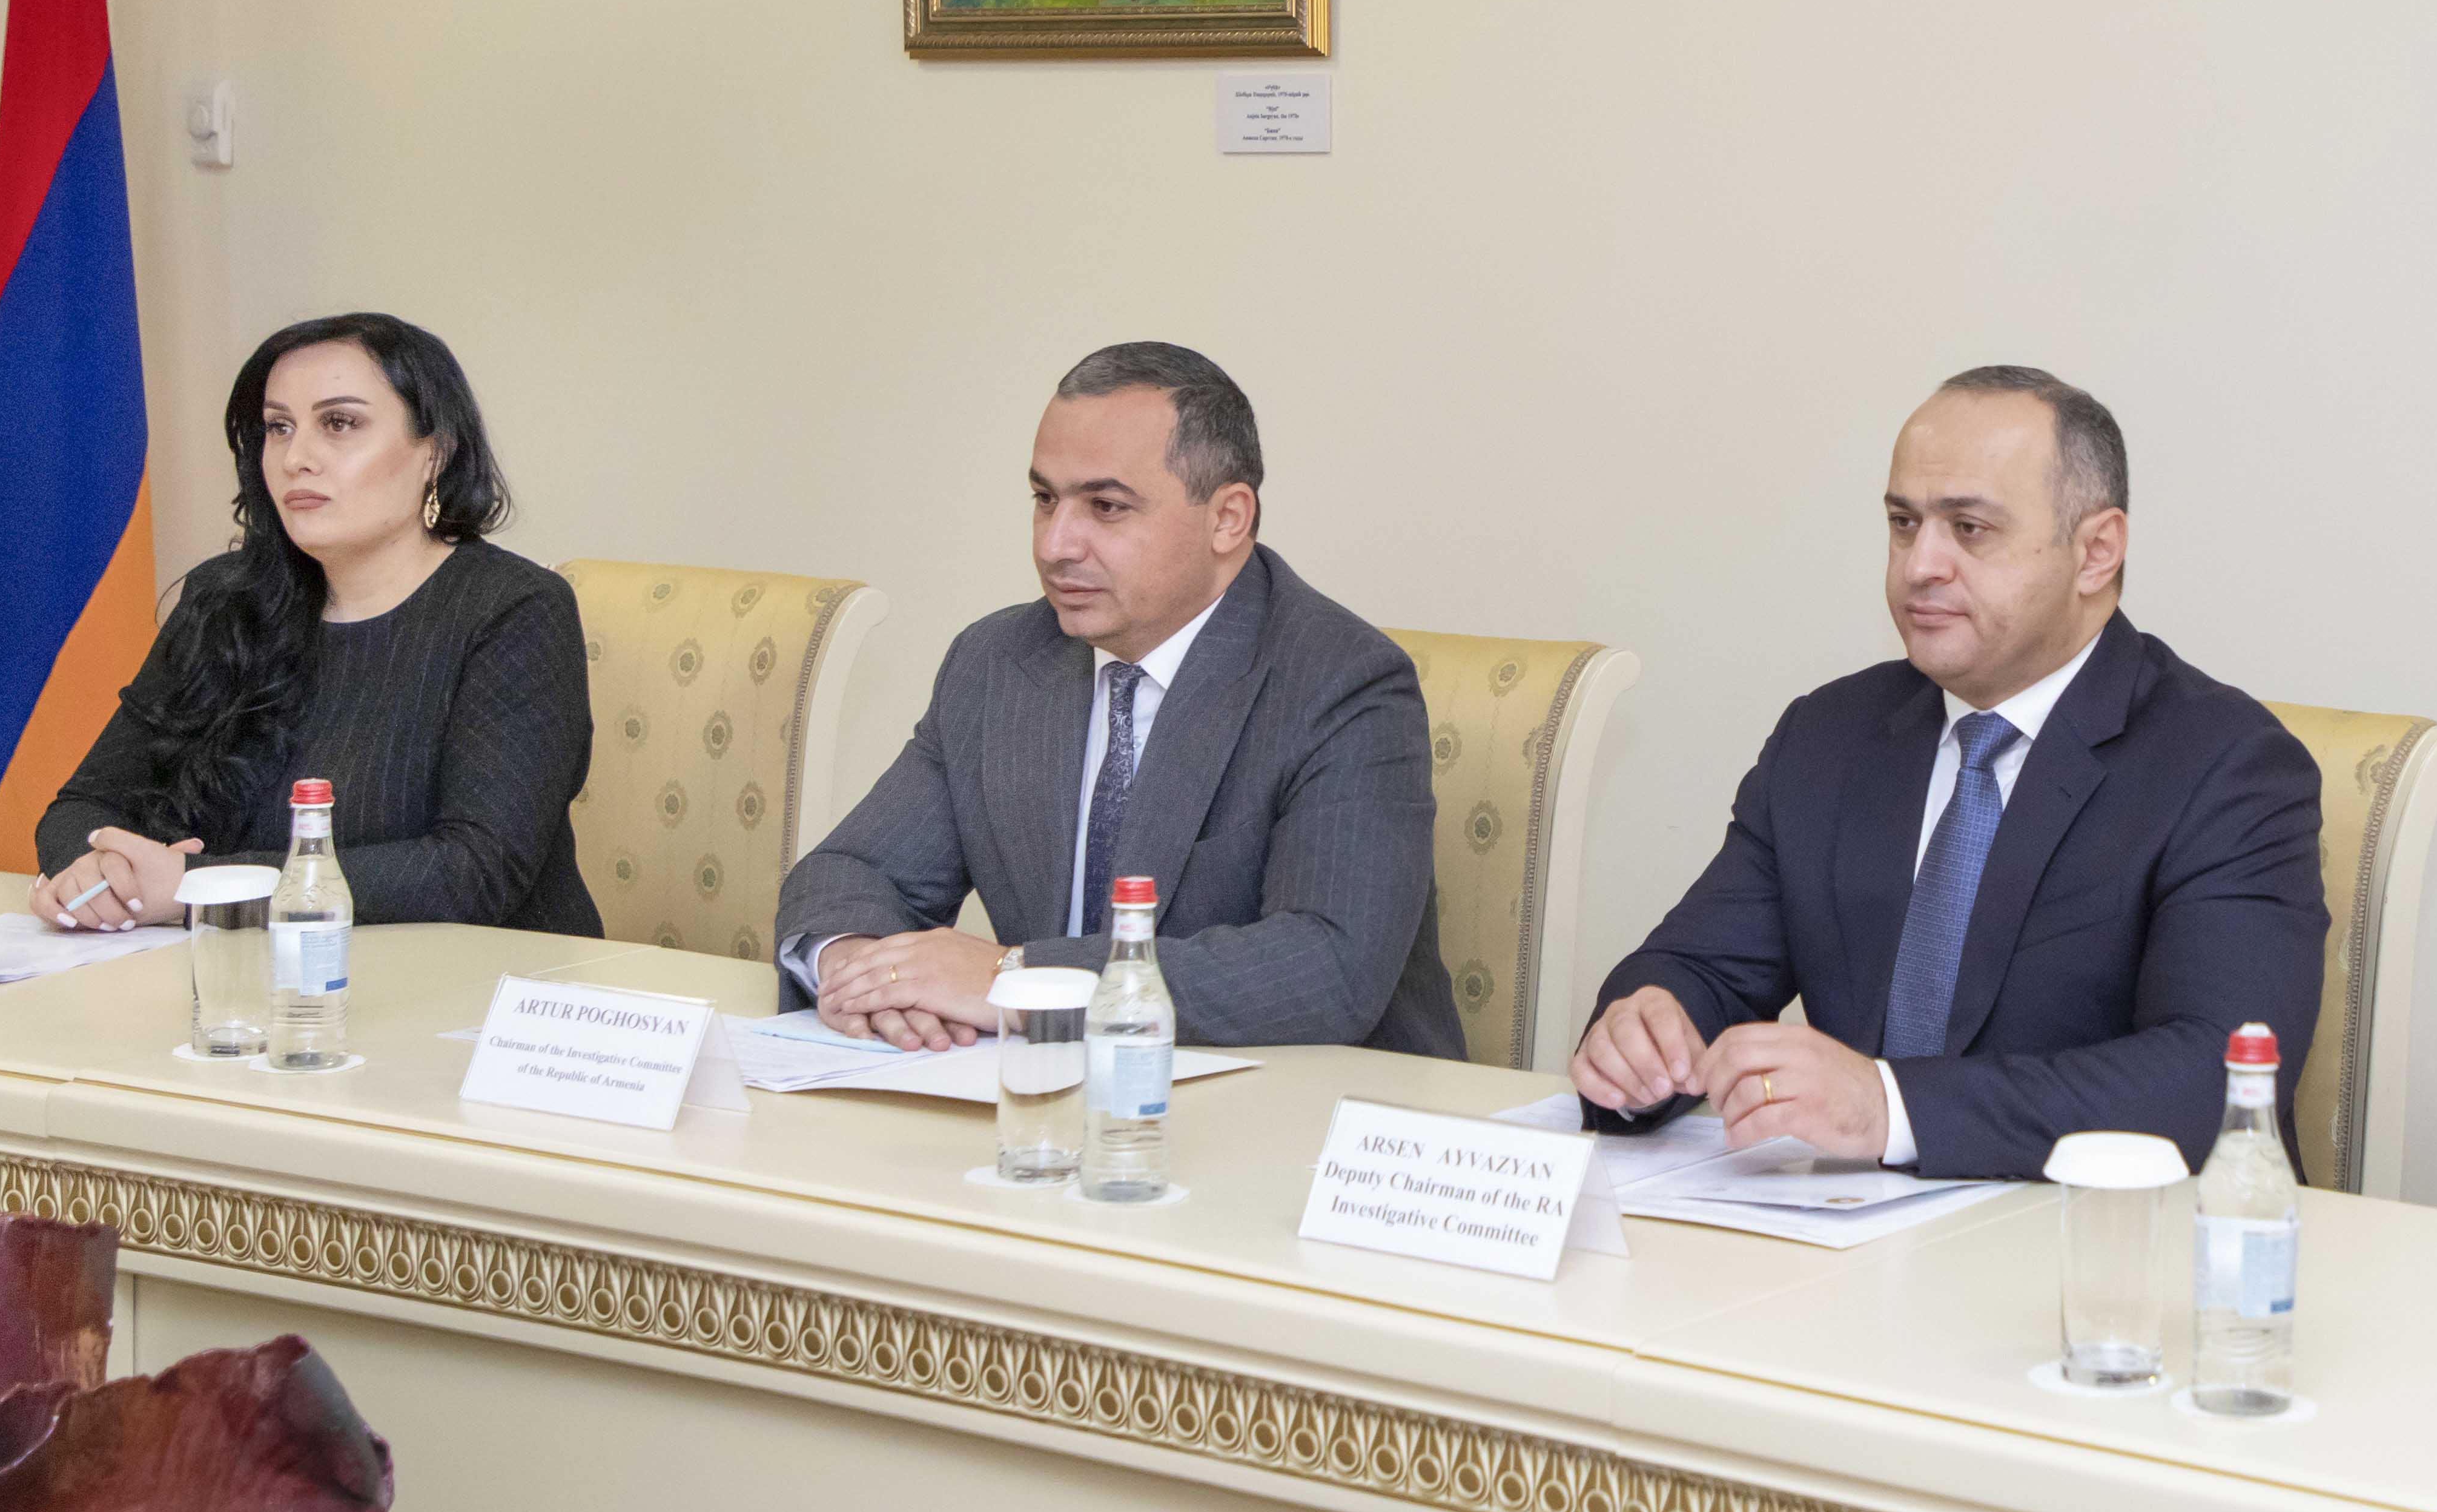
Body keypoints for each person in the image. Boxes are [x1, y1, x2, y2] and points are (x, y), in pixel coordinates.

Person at [1573, 366, 2324, 1178]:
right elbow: (1702, 968)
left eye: (1970, 528)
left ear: (2096, 552)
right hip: (1843, 1233)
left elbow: (2216, 1080)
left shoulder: (2227, 766)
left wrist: (1890, 1108)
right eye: (1904, 524)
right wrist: (1646, 1030)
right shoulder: (1829, 737)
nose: (1919, 565)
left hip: (2102, 1239)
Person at [776, 342, 1460, 1055]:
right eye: (1045, 500)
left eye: (1105, 507)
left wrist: (1016, 979)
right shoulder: (998, 662)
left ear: (1228, 518)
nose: (1056, 545)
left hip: (1299, 1103)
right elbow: (851, 872)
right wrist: (867, 972)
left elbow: (1325, 967)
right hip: (1044, 1095)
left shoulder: (1340, 683)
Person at [30, 314, 598, 936]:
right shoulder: (224, 598)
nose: (296, 458)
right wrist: (98, 875)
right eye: (279, 428)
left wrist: (200, 887)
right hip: (252, 973)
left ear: (435, 452)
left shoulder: (515, 609)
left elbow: (475, 873)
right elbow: (85, 805)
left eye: (340, 423)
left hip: (479, 978)